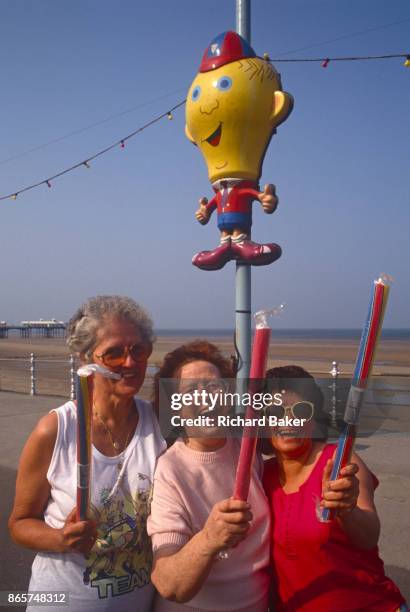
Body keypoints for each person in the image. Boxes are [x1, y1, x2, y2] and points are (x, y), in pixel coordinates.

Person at [8, 296, 166, 611]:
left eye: (138, 350)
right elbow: (20, 523)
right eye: (113, 353)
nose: (130, 363)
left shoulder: (158, 424)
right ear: (85, 359)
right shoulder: (56, 429)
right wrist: (60, 539)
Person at [262, 365, 406, 612]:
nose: (288, 420)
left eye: (300, 410)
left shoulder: (340, 461)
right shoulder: (262, 476)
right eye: (275, 412)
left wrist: (347, 510)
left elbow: (368, 535)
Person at [147, 340, 271, 612]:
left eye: (214, 387)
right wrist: (209, 539)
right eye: (191, 391)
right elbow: (169, 584)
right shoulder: (171, 470)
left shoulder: (249, 450)